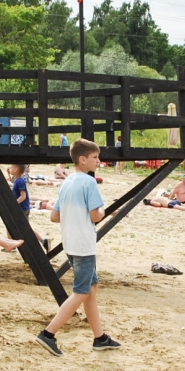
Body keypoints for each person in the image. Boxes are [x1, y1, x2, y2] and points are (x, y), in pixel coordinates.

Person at [35, 138, 121, 356]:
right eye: (95, 157)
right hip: (84, 244)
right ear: (83, 159)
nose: (98, 161)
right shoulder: (89, 182)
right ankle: (48, 334)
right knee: (81, 292)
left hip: (71, 243)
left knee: (91, 288)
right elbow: (95, 216)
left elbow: (55, 216)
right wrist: (104, 211)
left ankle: (100, 338)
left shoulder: (67, 182)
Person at [9, 164, 48, 247]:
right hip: (23, 207)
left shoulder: (19, 181)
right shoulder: (17, 180)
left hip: (22, 208)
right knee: (24, 228)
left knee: (11, 225)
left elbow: (23, 196)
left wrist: (14, 204)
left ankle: (11, 245)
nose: (9, 169)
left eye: (11, 167)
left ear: (15, 169)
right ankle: (43, 241)